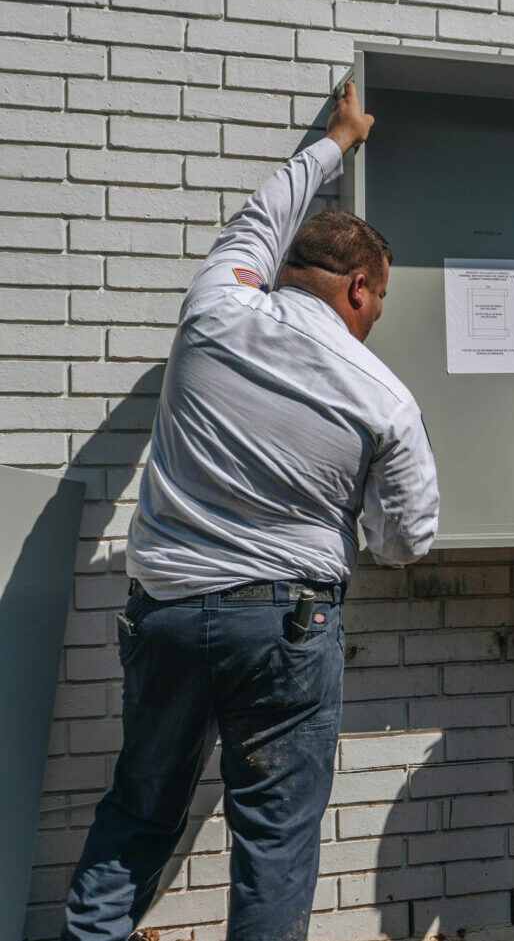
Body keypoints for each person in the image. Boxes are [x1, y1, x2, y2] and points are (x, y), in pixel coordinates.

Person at [61, 83, 439, 941]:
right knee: (273, 845)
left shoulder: (216, 306)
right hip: (287, 627)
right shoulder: (383, 393)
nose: (376, 319)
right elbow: (408, 537)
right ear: (356, 286)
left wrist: (336, 142)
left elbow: (260, 216)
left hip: (165, 614)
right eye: (378, 300)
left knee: (138, 814)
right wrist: (357, 524)